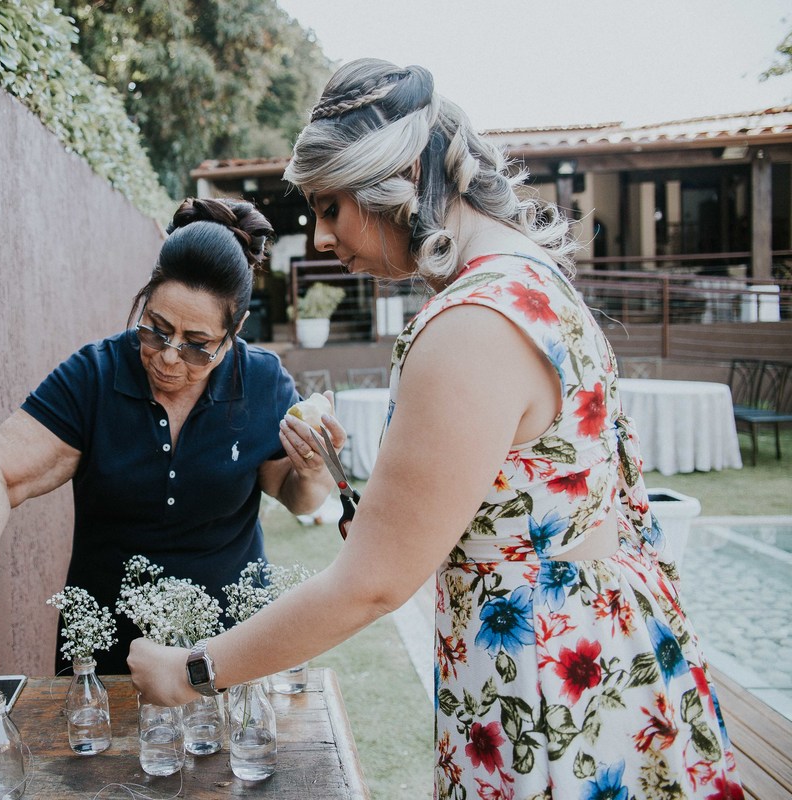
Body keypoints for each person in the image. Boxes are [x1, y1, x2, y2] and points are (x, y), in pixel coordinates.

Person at [129, 60, 742, 797]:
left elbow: (373, 586)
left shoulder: (471, 325)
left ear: (406, 174)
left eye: (331, 208)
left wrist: (191, 670)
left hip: (552, 682)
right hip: (604, 646)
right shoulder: (528, 277)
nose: (322, 238)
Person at [0, 197, 344, 675]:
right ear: (146, 297)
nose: (168, 357)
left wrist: (311, 471)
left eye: (197, 345)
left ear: (235, 331)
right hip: (105, 658)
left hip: (229, 653)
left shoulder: (263, 382)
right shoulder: (94, 377)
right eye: (157, 330)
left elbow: (298, 498)